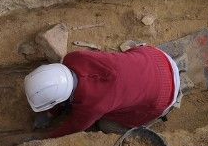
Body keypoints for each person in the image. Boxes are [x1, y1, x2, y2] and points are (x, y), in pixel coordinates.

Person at [23, 45, 181, 137]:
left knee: (105, 124)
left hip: (164, 95)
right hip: (156, 56)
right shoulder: (73, 58)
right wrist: (51, 113)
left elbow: (74, 127)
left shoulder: (92, 106)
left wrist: (46, 138)